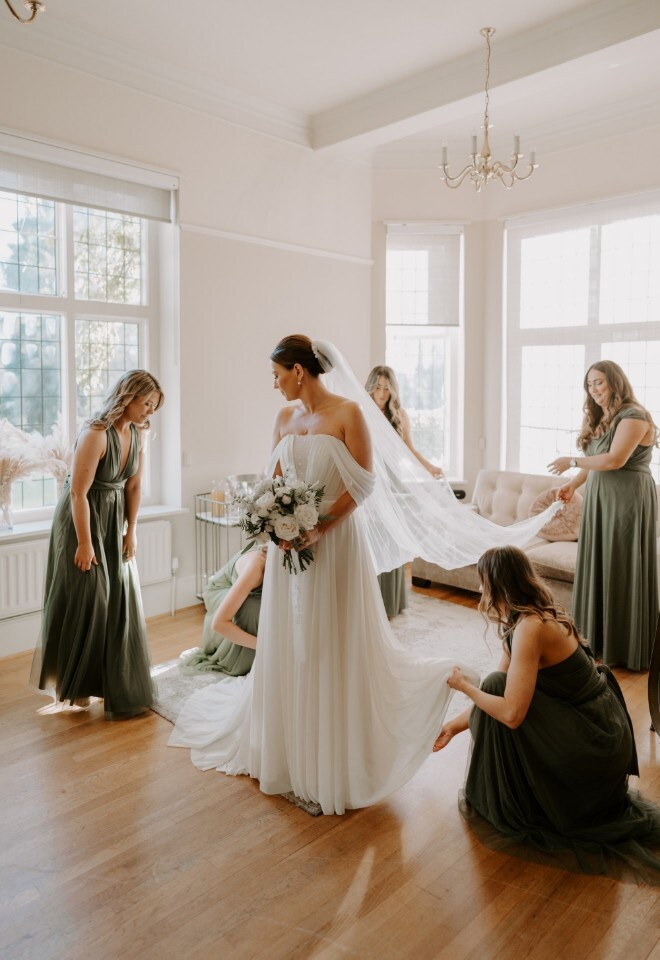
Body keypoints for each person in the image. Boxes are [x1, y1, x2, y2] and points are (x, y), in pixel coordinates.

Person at [169, 335, 479, 815]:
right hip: (287, 545)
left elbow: (364, 484)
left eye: (276, 375)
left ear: (298, 370)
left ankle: (333, 746)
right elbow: (271, 480)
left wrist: (319, 528)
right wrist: (275, 522)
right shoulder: (284, 418)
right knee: (292, 637)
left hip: (334, 547)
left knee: (332, 636)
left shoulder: (349, 414)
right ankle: (288, 742)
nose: (274, 385)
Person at [434, 546, 660, 879]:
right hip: (592, 725)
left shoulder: (531, 627)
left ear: (499, 584)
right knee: (497, 684)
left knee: (495, 687)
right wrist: (452, 727)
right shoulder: (521, 622)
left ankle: (521, 804)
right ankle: (528, 797)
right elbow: (501, 695)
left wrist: (464, 686)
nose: (480, 590)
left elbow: (510, 713)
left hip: (596, 739)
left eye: (484, 583)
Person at [31, 370, 164, 719]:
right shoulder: (96, 434)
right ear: (128, 397)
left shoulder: (137, 434)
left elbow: (134, 488)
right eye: (147, 403)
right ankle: (74, 685)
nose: (150, 411)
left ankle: (108, 682)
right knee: (89, 600)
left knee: (119, 598)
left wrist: (131, 530)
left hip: (113, 519)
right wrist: (85, 543)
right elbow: (77, 492)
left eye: (154, 406)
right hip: (81, 520)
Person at [547, 360, 659, 671]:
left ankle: (625, 648)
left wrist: (570, 461)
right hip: (599, 499)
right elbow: (596, 461)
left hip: (626, 501)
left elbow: (614, 460)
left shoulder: (634, 416)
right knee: (600, 564)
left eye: (599, 382)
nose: (594, 390)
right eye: (589, 385)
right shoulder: (603, 419)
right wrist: (571, 484)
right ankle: (595, 643)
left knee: (620, 566)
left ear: (615, 382)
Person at [365, 365, 442, 618]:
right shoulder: (361, 412)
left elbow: (409, 449)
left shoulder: (399, 415)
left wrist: (428, 466)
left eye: (387, 388)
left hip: (393, 480)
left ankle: (392, 602)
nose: (382, 392)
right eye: (378, 387)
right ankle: (371, 604)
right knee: (372, 539)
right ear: (371, 386)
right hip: (371, 480)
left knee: (391, 536)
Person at [180, 545, 266, 676]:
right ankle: (238, 659)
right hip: (220, 590)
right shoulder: (255, 567)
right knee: (252, 608)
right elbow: (219, 624)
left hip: (248, 589)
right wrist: (265, 647)